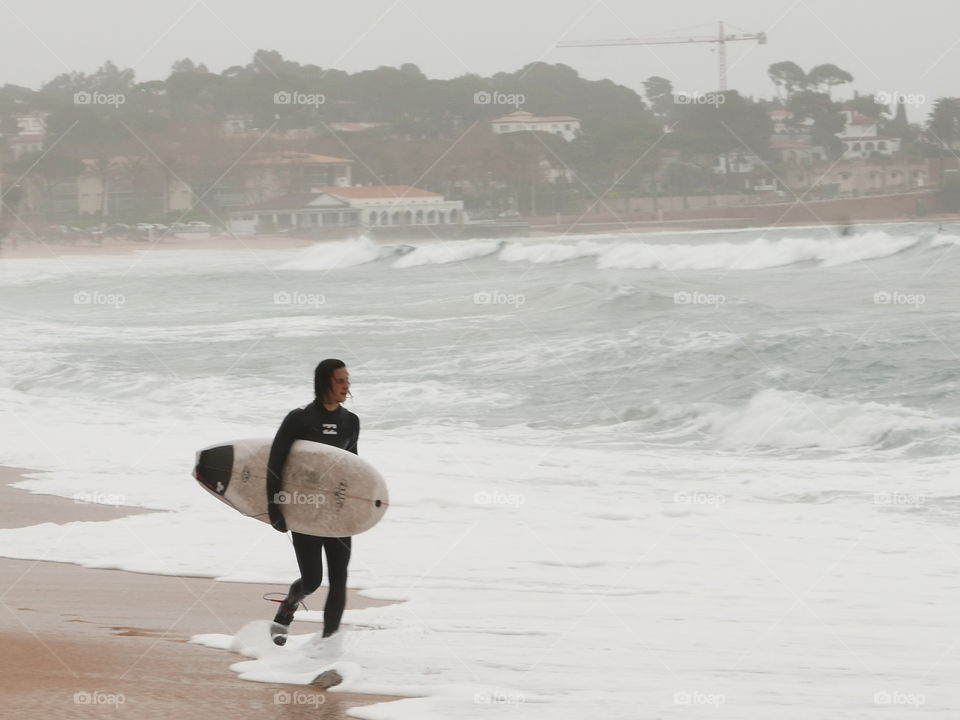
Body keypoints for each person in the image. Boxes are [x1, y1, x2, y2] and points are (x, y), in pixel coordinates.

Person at [266, 359, 359, 646]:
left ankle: (328, 643)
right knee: (312, 579)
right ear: (325, 384)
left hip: (336, 511)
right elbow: (276, 463)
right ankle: (290, 603)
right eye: (340, 381)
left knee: (339, 578)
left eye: (347, 380)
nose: (347, 386)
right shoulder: (300, 419)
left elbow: (352, 467)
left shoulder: (350, 422)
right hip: (305, 508)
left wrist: (358, 508)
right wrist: (275, 506)